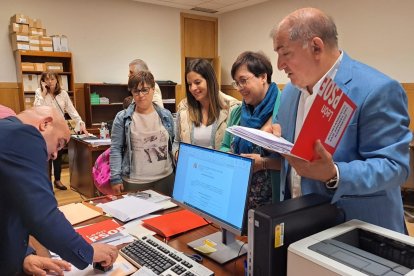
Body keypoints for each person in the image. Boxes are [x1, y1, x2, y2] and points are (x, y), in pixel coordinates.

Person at [271, 7, 411, 233]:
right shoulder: (289, 93)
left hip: (356, 229)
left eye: (285, 53)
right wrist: (273, 139)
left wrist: (334, 174)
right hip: (300, 223)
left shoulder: (376, 89)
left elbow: (395, 167)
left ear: (316, 47)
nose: (279, 65)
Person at [0, 106, 118, 275]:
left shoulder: (5, 130)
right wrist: (89, 252)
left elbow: (8, 209)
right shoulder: (22, 136)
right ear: (45, 124)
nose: (55, 155)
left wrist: (23, 256)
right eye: (59, 143)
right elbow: (42, 215)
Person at [220, 51, 281, 209]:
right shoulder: (237, 112)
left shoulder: (282, 111)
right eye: (236, 83)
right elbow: (225, 146)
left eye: (243, 81)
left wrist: (263, 163)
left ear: (263, 77)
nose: (239, 88)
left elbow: (295, 163)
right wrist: (229, 157)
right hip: (239, 197)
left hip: (272, 203)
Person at [110, 71, 175, 196]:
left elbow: (173, 143)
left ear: (153, 89)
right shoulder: (122, 118)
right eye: (136, 91)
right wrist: (115, 177)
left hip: (166, 179)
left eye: (145, 90)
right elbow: (116, 149)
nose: (141, 95)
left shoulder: (166, 115)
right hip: (135, 182)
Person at [173, 58, 240, 158]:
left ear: (209, 80)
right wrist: (178, 154)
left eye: (197, 82)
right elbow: (176, 143)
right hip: (191, 169)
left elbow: (237, 148)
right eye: (189, 84)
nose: (193, 88)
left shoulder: (233, 108)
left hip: (218, 170)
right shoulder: (183, 108)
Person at [34, 71, 88, 190]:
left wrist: (81, 123)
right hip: (45, 128)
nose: (50, 82)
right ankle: (46, 182)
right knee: (46, 155)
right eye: (47, 79)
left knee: (58, 155)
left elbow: (71, 110)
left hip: (59, 128)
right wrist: (43, 94)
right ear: (43, 82)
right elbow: (37, 109)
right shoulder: (39, 92)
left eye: (52, 79)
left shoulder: (63, 94)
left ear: (57, 80)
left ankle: (57, 180)